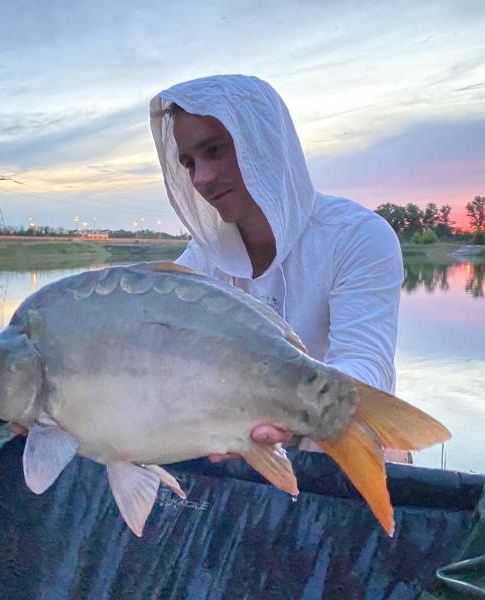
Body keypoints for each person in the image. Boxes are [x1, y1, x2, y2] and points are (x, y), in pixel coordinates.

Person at [149, 74, 407, 460]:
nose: (201, 179)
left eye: (216, 150)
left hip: (330, 432)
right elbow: (154, 335)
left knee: (362, 450)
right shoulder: (202, 258)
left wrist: (287, 412)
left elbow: (366, 362)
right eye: (188, 163)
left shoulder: (358, 236)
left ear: (263, 145)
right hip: (237, 428)